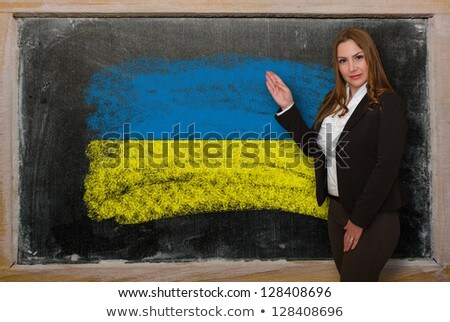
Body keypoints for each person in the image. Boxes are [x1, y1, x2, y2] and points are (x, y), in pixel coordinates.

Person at [266, 28, 408, 281]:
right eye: (343, 60)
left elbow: (386, 168)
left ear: (371, 59)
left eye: (358, 57)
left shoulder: (388, 103)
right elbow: (316, 151)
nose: (352, 67)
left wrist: (359, 221)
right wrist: (288, 107)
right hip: (337, 212)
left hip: (373, 217)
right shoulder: (332, 102)